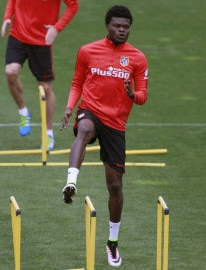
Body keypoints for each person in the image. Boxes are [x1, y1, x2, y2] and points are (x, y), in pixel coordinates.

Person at [60, 5, 148, 267]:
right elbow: (77, 82)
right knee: (84, 130)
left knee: (115, 187)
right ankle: (71, 181)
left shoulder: (138, 58)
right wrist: (69, 107)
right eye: (118, 26)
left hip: (116, 124)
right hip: (91, 109)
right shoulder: (88, 51)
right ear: (107, 26)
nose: (122, 30)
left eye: (126, 27)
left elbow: (143, 96)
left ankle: (112, 242)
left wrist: (133, 94)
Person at [1, 0, 79, 150]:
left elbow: (73, 5)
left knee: (45, 87)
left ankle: (48, 134)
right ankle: (23, 112)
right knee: (11, 72)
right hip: (18, 33)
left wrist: (57, 28)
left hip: (41, 39)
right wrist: (7, 16)